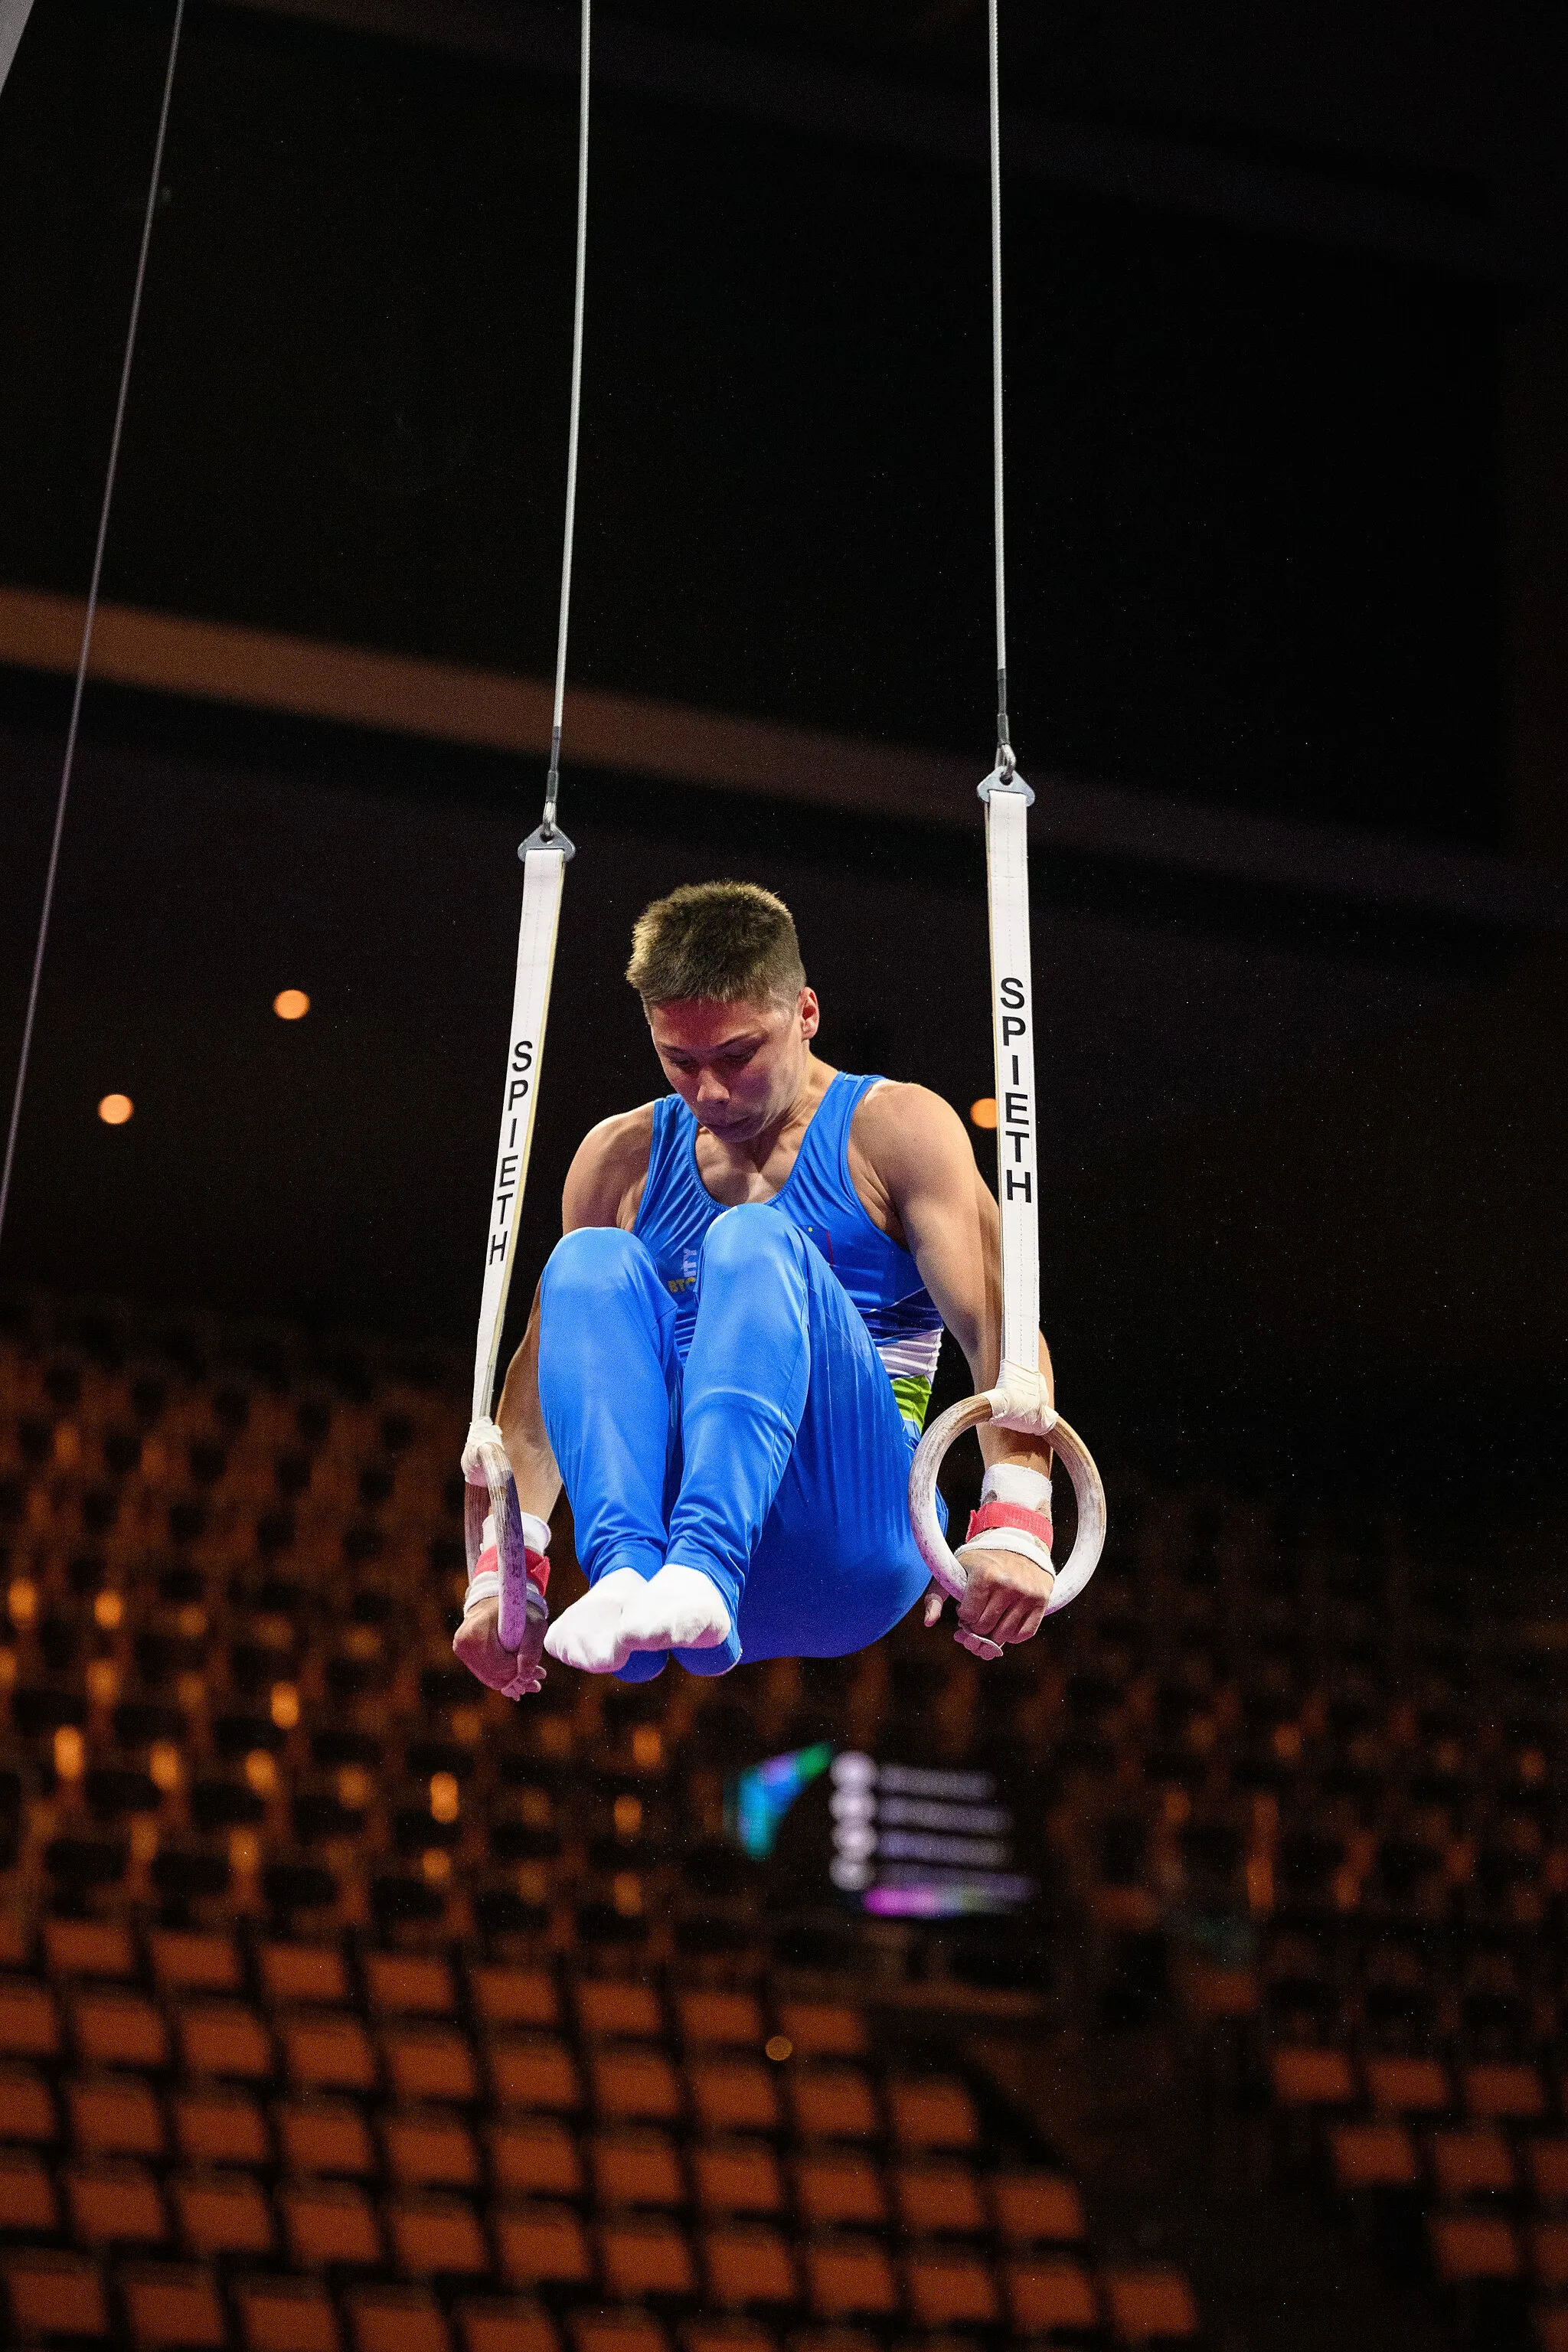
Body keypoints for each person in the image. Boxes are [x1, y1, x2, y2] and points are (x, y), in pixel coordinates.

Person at [454, 880, 1058, 1694]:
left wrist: (1016, 1518)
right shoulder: (620, 1158)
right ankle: (630, 1569)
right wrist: (502, 1575)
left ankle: (705, 1559)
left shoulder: (894, 1131)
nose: (708, 1091)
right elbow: (535, 1398)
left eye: (737, 1055)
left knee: (750, 1237)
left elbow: (999, 1336)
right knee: (583, 1264)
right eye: (681, 1060)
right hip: (670, 1578)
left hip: (846, 1539)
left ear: (804, 1014)